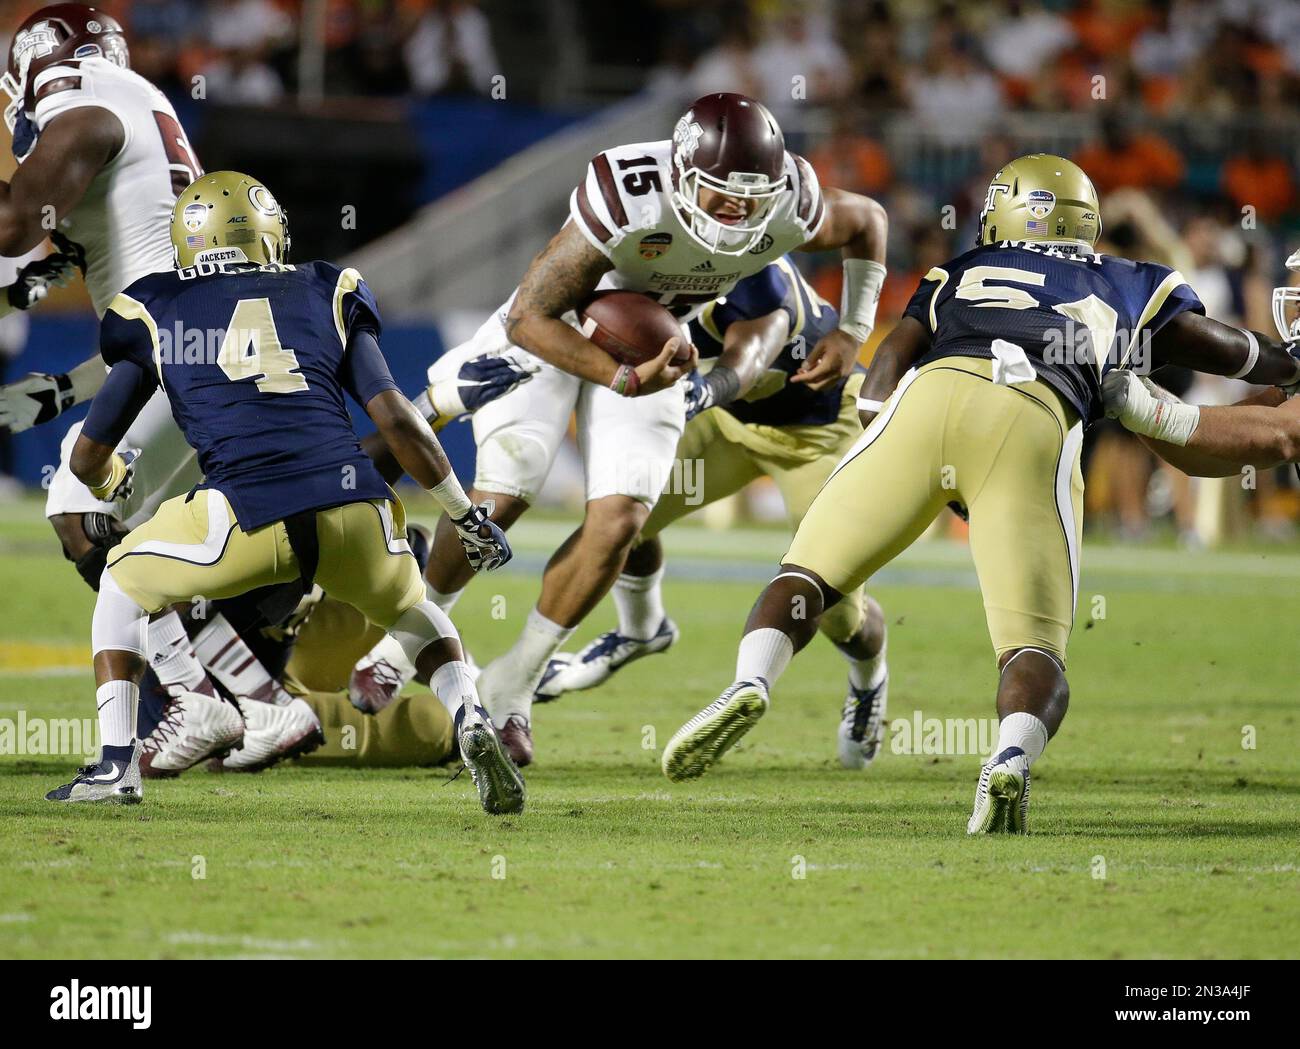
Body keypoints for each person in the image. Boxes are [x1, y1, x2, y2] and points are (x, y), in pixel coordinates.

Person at [662, 154, 1300, 834]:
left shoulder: (962, 268)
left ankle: (751, 680)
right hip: (1033, 410)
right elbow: (1221, 347)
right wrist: (1283, 361)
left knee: (807, 576)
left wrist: (877, 440)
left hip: (928, 401)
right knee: (1032, 647)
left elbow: (891, 356)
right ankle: (1010, 757)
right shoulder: (1125, 276)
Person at [357, 92, 889, 768]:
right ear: (682, 174)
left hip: (668, 358)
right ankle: (402, 642)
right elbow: (531, 317)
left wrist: (853, 329)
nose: (737, 212)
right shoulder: (631, 193)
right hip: (557, 334)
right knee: (505, 492)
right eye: (721, 195)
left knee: (619, 522)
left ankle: (514, 689)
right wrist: (620, 379)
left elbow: (866, 220)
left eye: (751, 198)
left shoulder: (787, 206)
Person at [44, 171, 522, 817]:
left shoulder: (154, 306)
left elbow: (88, 455)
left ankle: (115, 763)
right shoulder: (327, 287)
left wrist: (108, 483)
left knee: (122, 584)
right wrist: (465, 516)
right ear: (268, 234)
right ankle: (469, 710)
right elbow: (396, 423)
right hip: (355, 508)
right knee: (416, 613)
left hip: (243, 513)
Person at [538, 256, 888, 770]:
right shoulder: (650, 255)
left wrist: (853, 328)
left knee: (837, 609)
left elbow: (748, 357)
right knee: (623, 511)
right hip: (728, 425)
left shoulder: (755, 267)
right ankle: (640, 628)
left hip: (819, 431)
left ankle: (869, 678)